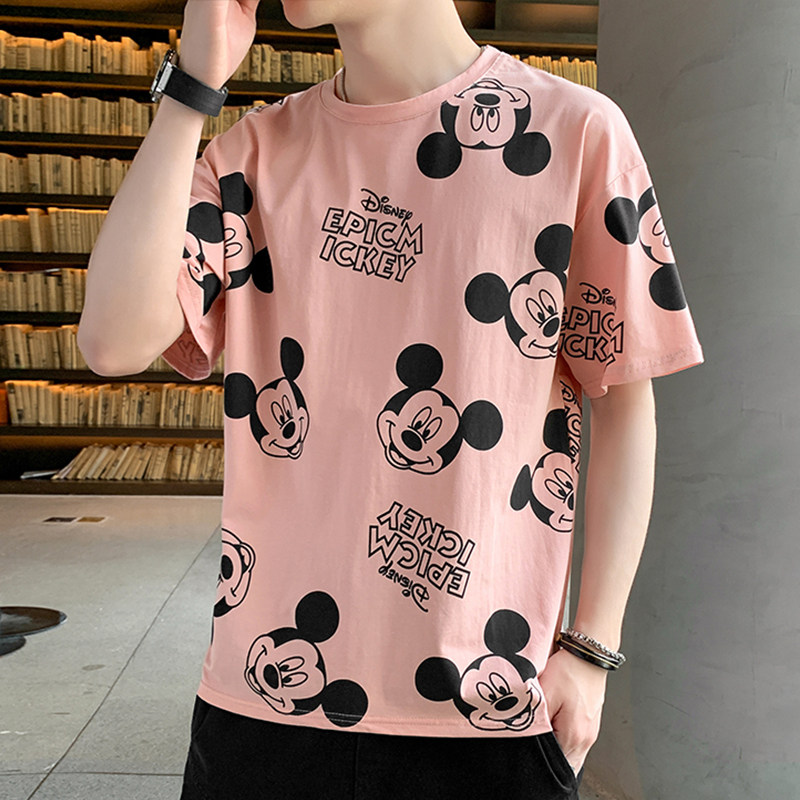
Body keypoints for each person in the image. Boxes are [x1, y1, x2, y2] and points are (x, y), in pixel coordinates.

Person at [77, 0, 705, 797]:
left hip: (486, 704)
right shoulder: (254, 154)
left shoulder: (577, 133)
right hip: (264, 703)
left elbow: (622, 397)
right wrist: (193, 88)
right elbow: (112, 341)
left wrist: (592, 648)